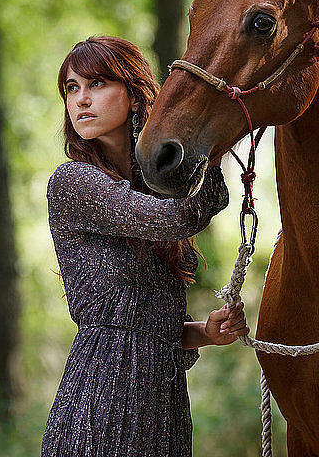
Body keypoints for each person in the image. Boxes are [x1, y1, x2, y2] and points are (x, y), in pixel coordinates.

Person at [41, 36, 249, 457]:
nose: (81, 99)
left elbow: (154, 330)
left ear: (135, 95)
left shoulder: (153, 191)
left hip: (165, 410)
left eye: (97, 83)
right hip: (97, 410)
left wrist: (205, 334)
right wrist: (205, 134)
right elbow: (176, 218)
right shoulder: (73, 184)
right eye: (72, 87)